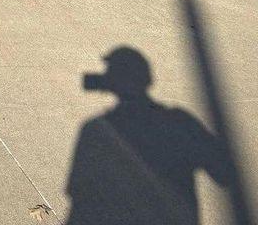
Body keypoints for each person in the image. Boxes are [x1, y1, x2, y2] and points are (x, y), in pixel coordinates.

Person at [66, 47, 229, 225]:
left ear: (109, 84)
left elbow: (79, 198)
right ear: (147, 80)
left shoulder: (95, 131)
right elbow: (223, 172)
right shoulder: (180, 122)